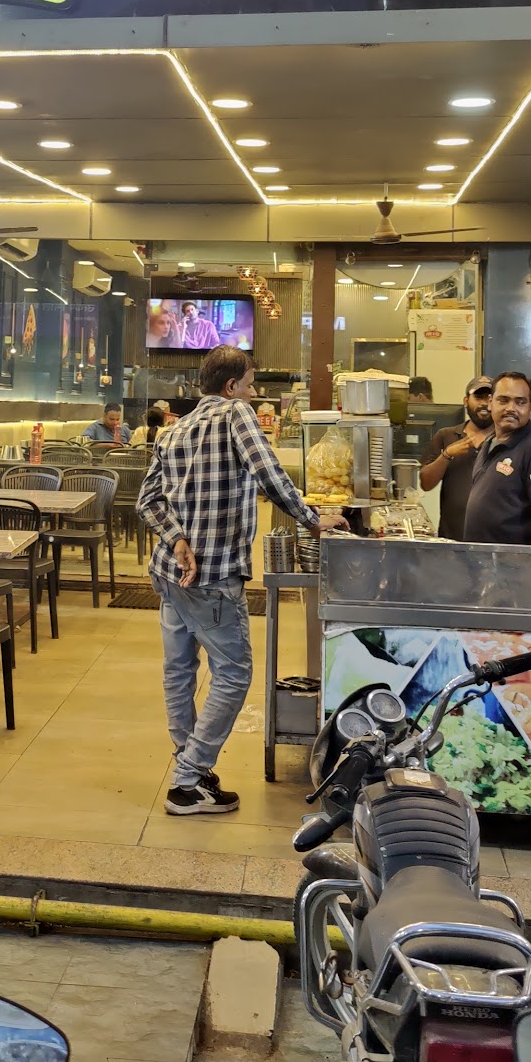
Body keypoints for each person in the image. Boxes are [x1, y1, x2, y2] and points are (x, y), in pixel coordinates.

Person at [136, 345, 337, 817]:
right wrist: (312, 520)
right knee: (233, 673)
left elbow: (148, 501)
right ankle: (188, 779)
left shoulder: (175, 429)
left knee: (179, 671)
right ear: (231, 387)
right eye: (249, 385)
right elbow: (269, 473)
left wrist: (176, 537)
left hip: (170, 571)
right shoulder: (236, 414)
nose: (252, 393)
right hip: (213, 573)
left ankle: (190, 770)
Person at [463, 370, 531, 546]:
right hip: (479, 558)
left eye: (520, 402)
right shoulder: (489, 442)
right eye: (503, 400)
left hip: (509, 561)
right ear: (491, 402)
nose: (511, 408)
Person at [419, 376, 494, 540]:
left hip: (491, 541)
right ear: (466, 401)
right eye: (478, 397)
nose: (484, 404)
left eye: (490, 398)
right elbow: (425, 484)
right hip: (451, 539)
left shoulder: (505, 440)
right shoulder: (446, 436)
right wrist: (447, 455)